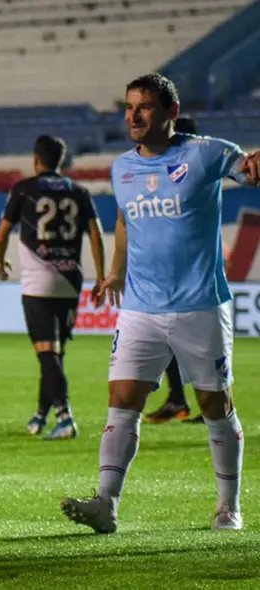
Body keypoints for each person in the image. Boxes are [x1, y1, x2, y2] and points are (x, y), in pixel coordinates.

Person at [61, 73, 259, 534]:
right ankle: (106, 504)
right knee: (121, 401)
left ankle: (228, 506)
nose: (133, 116)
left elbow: (248, 171)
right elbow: (124, 220)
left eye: (145, 107)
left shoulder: (206, 153)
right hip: (140, 307)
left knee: (214, 405)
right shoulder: (121, 168)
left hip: (200, 305)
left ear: (171, 112)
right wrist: (115, 271)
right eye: (129, 107)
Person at [0, 135, 106, 440]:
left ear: (36, 159)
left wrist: (0, 262)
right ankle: (41, 414)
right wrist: (100, 276)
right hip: (71, 279)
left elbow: (2, 234)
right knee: (54, 353)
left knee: (46, 353)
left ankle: (65, 417)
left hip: (39, 280)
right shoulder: (79, 191)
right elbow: (96, 233)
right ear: (61, 160)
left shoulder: (24, 189)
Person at [143, 114, 205, 425]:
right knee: (173, 336)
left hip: (187, 268)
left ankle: (207, 403)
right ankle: (180, 398)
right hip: (182, 266)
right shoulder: (197, 168)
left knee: (192, 338)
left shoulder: (188, 171)